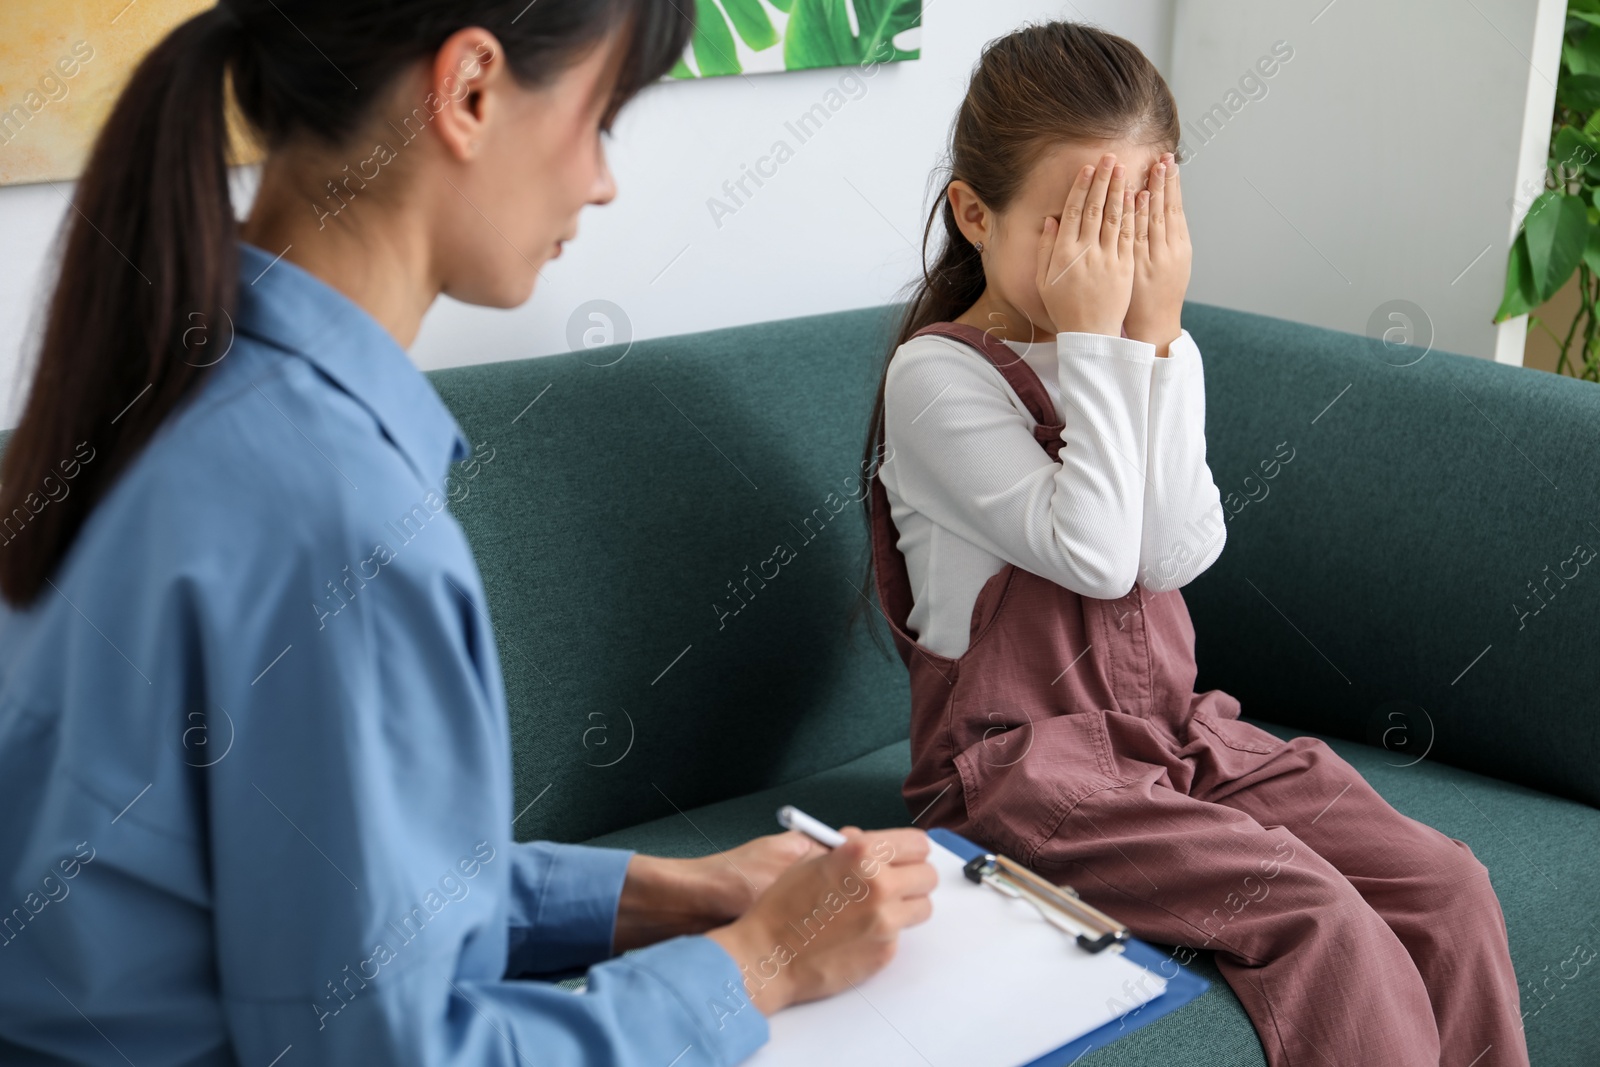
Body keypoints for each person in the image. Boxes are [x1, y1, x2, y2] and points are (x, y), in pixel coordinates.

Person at [0, 2, 936, 1063]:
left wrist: (679, 891)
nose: (601, 180)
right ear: (471, 91)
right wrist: (756, 965)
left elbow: (311, 889)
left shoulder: (161, 387)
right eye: (602, 119)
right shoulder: (336, 513)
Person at [861, 20, 1529, 1067]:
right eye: (1072, 226)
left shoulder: (1148, 346)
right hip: (1018, 771)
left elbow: (1174, 551)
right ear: (973, 212)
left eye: (1130, 223)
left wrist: (1156, 339)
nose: (1105, 262)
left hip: (1173, 737)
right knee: (1317, 913)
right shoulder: (939, 379)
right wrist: (1103, 339)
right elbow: (1095, 554)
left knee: (1446, 885)